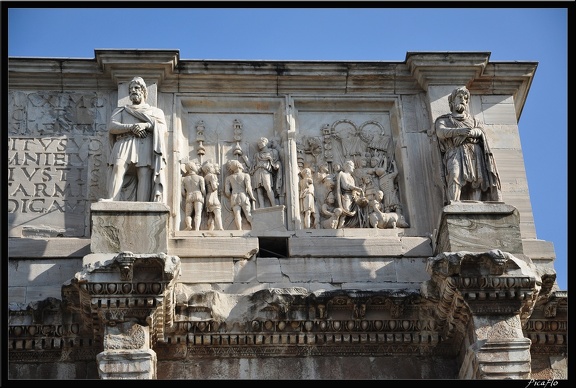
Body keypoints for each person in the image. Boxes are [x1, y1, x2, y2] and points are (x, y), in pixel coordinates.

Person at [103, 77, 167, 202]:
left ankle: (143, 204)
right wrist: (131, 127)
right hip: (124, 141)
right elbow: (112, 127)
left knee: (144, 173)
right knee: (118, 166)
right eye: (131, 89)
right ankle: (112, 199)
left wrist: (146, 125)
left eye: (136, 88)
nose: (133, 90)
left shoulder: (155, 111)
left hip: (145, 143)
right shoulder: (121, 110)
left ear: (143, 91)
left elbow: (162, 128)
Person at [434, 86, 502, 203]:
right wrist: (459, 131)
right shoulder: (444, 120)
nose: (463, 100)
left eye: (465, 98)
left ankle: (477, 206)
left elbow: (480, 131)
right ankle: (454, 203)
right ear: (452, 101)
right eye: (460, 97)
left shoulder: (474, 120)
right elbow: (441, 132)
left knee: (476, 179)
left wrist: (470, 132)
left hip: (474, 150)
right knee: (454, 175)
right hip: (454, 151)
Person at [249, 137, 281, 208]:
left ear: (266, 142)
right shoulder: (257, 155)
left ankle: (273, 204)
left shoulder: (272, 152)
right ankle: (262, 206)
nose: (259, 144)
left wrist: (277, 165)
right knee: (259, 190)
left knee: (268, 187)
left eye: (261, 142)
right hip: (257, 171)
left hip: (266, 171)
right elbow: (253, 165)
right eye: (258, 144)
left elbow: (276, 161)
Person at [225, 159, 257, 230]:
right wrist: (252, 197)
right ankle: (254, 228)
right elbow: (248, 187)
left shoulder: (229, 178)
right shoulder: (245, 175)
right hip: (243, 196)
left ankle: (239, 229)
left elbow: (227, 192)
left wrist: (231, 196)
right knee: (248, 214)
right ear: (239, 166)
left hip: (234, 197)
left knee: (237, 215)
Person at [181, 161, 205, 231]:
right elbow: (203, 189)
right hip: (198, 195)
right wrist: (204, 196)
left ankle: (189, 226)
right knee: (198, 213)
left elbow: (182, 192)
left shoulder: (184, 179)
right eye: (195, 165)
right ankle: (197, 229)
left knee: (188, 214)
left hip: (189, 196)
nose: (197, 167)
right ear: (191, 167)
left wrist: (186, 195)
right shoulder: (200, 178)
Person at [201, 161, 224, 231]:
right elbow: (214, 187)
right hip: (213, 197)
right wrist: (217, 184)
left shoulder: (204, 177)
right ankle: (220, 227)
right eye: (211, 167)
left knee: (211, 216)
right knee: (217, 212)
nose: (213, 168)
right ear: (208, 169)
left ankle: (210, 229)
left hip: (208, 197)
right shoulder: (212, 176)